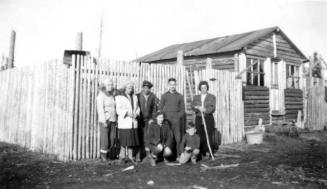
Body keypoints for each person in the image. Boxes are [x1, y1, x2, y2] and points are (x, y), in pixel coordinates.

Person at [159, 78, 185, 159]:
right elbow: (160, 108)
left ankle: (178, 155)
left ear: (175, 85)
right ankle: (166, 156)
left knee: (178, 138)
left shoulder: (180, 96)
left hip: (176, 122)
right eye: (171, 84)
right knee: (167, 138)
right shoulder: (164, 96)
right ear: (168, 85)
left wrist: (177, 117)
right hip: (166, 121)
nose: (172, 86)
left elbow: (182, 110)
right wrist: (163, 118)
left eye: (174, 84)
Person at [115, 81, 140, 163]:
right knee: (124, 141)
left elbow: (137, 108)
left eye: (131, 88)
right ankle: (122, 157)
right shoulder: (119, 97)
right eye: (129, 88)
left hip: (133, 122)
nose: (130, 89)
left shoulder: (135, 97)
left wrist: (136, 114)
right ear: (125, 88)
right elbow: (118, 109)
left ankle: (130, 156)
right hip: (125, 122)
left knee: (131, 141)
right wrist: (128, 114)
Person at [191, 81, 216, 158]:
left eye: (205, 87)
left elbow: (212, 107)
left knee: (208, 135)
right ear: (200, 88)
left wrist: (204, 109)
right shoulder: (196, 97)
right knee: (200, 135)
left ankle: (209, 151)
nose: (203, 89)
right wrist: (197, 108)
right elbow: (192, 106)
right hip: (199, 118)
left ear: (207, 88)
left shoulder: (212, 97)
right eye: (202, 88)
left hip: (208, 118)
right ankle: (201, 152)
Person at [136, 80, 158, 162]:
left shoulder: (152, 96)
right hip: (139, 120)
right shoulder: (137, 96)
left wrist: (152, 118)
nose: (146, 89)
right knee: (138, 136)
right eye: (144, 87)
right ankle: (138, 155)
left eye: (148, 88)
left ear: (150, 89)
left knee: (147, 137)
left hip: (148, 120)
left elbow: (154, 109)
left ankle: (147, 154)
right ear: (142, 88)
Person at [96, 78, 117, 161]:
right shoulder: (101, 95)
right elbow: (100, 109)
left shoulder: (111, 95)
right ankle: (103, 155)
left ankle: (107, 153)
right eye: (108, 85)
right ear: (104, 86)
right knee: (105, 139)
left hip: (113, 119)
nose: (110, 86)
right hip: (105, 120)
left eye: (111, 85)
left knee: (112, 138)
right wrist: (104, 121)